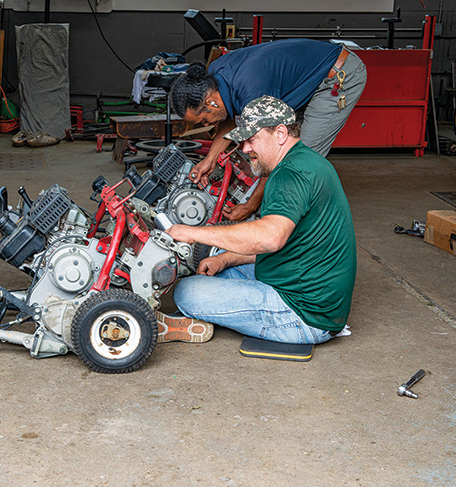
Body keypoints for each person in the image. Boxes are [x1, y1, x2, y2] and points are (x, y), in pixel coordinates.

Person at [156, 95, 356, 345]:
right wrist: (225, 258)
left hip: (304, 314)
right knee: (215, 273)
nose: (245, 149)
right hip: (308, 286)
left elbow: (270, 238)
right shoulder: (308, 161)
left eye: (252, 139)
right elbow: (290, 243)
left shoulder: (290, 175)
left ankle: (199, 316)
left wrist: (192, 233)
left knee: (187, 291)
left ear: (280, 133)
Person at [169, 38, 366, 222]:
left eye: (204, 120)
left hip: (336, 76)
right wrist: (210, 160)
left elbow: (272, 153)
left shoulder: (250, 91)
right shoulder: (215, 77)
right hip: (308, 78)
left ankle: (285, 224)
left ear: (211, 102)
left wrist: (251, 205)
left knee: (300, 158)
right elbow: (230, 115)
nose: (206, 125)